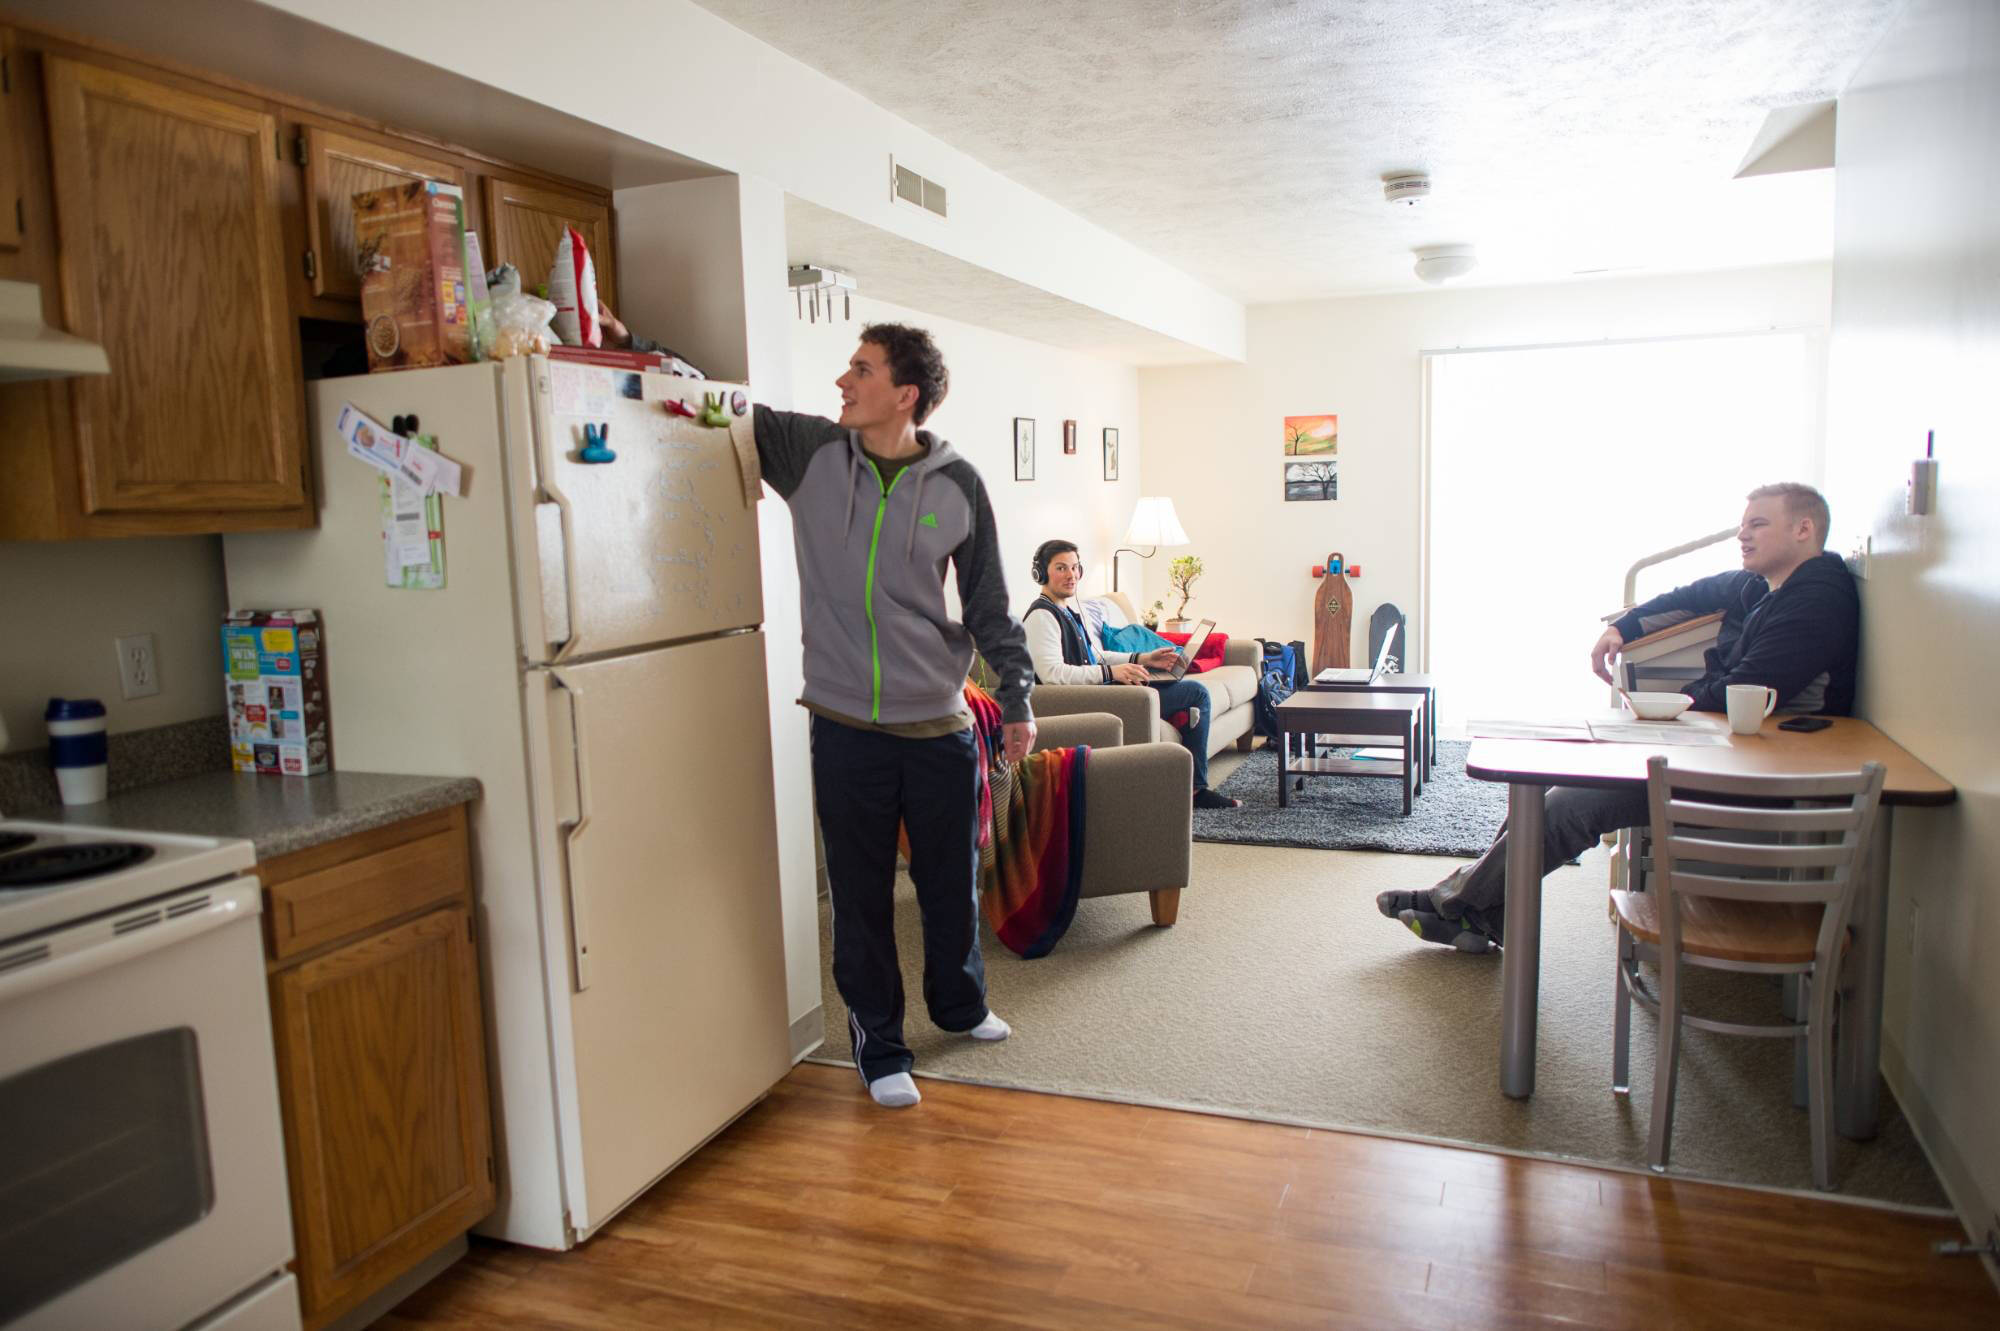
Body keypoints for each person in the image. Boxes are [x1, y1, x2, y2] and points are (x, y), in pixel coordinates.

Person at [747, 323, 1038, 1109]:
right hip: (844, 725)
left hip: (939, 722)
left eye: (861, 369)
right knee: (861, 895)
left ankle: (962, 1004)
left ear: (904, 395)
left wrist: (1016, 698)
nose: (843, 380)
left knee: (950, 884)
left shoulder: (956, 484)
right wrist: (628, 342)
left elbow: (988, 606)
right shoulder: (808, 453)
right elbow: (718, 403)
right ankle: (880, 1047)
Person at [1377, 482, 1860, 953]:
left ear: (1803, 529)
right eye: (1741, 524)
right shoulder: (1763, 586)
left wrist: (1669, 708)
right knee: (1548, 795)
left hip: (1765, 774)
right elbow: (1689, 594)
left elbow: (1744, 691)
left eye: (1757, 523)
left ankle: (1460, 904)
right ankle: (1472, 907)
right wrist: (1621, 628)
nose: (1742, 535)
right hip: (1728, 751)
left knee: (1572, 804)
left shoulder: (1817, 598)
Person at [1023, 539, 1242, 810]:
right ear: (1041, 573)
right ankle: (1196, 789)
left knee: (1184, 687)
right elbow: (1053, 675)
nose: (1071, 575)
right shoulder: (1042, 617)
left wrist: (1144, 658)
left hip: (1101, 688)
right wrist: (1111, 673)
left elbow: (1096, 656)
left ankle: (1191, 784)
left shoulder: (1067, 611)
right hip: (1089, 699)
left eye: (1075, 567)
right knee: (1196, 693)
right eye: (1061, 568)